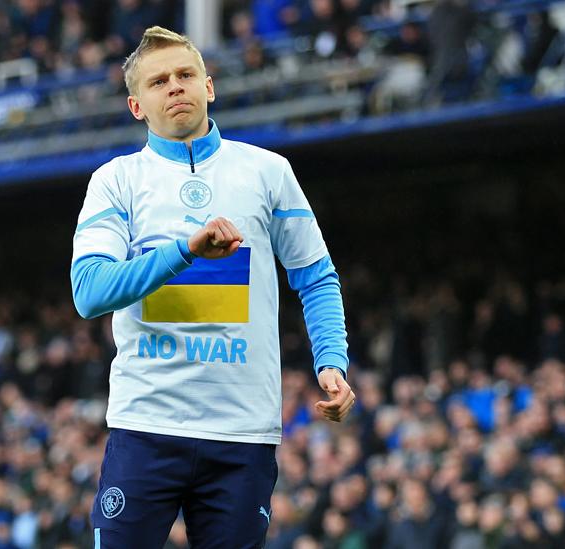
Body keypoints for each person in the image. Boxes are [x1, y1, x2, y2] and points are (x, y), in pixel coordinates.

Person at [70, 25, 355, 548]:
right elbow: (89, 292)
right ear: (137, 106)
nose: (175, 87)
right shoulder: (116, 180)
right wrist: (184, 252)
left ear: (210, 86)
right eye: (158, 82)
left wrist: (331, 361)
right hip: (148, 424)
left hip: (242, 432)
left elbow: (315, 275)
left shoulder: (268, 171)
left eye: (185, 74)